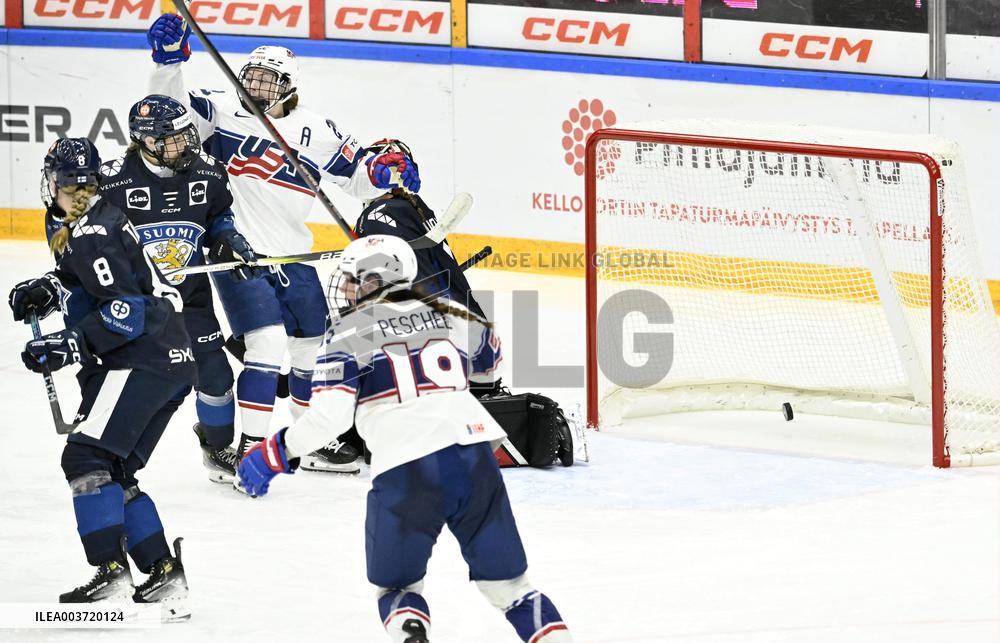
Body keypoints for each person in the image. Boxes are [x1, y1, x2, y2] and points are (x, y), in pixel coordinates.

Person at [236, 235, 572, 643]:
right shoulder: (451, 311)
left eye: (351, 280)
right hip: (475, 457)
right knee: (511, 588)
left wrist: (276, 451)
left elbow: (329, 419)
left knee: (398, 590)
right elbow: (489, 367)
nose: (345, 290)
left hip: (405, 467)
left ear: (373, 280)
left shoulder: (346, 333)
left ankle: (412, 634)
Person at [146, 14, 420, 474]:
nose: (252, 86)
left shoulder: (319, 130)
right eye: (248, 77)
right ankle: (252, 449)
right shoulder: (216, 110)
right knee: (268, 344)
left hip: (295, 254)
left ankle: (306, 440)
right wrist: (168, 64)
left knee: (312, 347)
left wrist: (386, 173)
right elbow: (168, 110)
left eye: (265, 81)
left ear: (289, 87)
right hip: (237, 251)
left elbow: (358, 178)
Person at [9, 138, 194, 619]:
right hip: (168, 359)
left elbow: (125, 310)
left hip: (141, 357)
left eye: (74, 183)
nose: (73, 190)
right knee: (114, 470)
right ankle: (163, 575)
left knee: (86, 455)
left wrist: (69, 345)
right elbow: (86, 278)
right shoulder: (85, 221)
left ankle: (111, 572)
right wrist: (49, 286)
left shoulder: (92, 229)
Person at [97, 94, 261, 485]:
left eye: (187, 135)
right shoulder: (112, 180)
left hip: (191, 298)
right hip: (137, 304)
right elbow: (85, 235)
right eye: (173, 140)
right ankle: (103, 456)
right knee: (134, 386)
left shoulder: (207, 171)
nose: (185, 145)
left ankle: (216, 447)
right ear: (147, 141)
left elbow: (219, 216)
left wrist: (228, 239)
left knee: (216, 377)